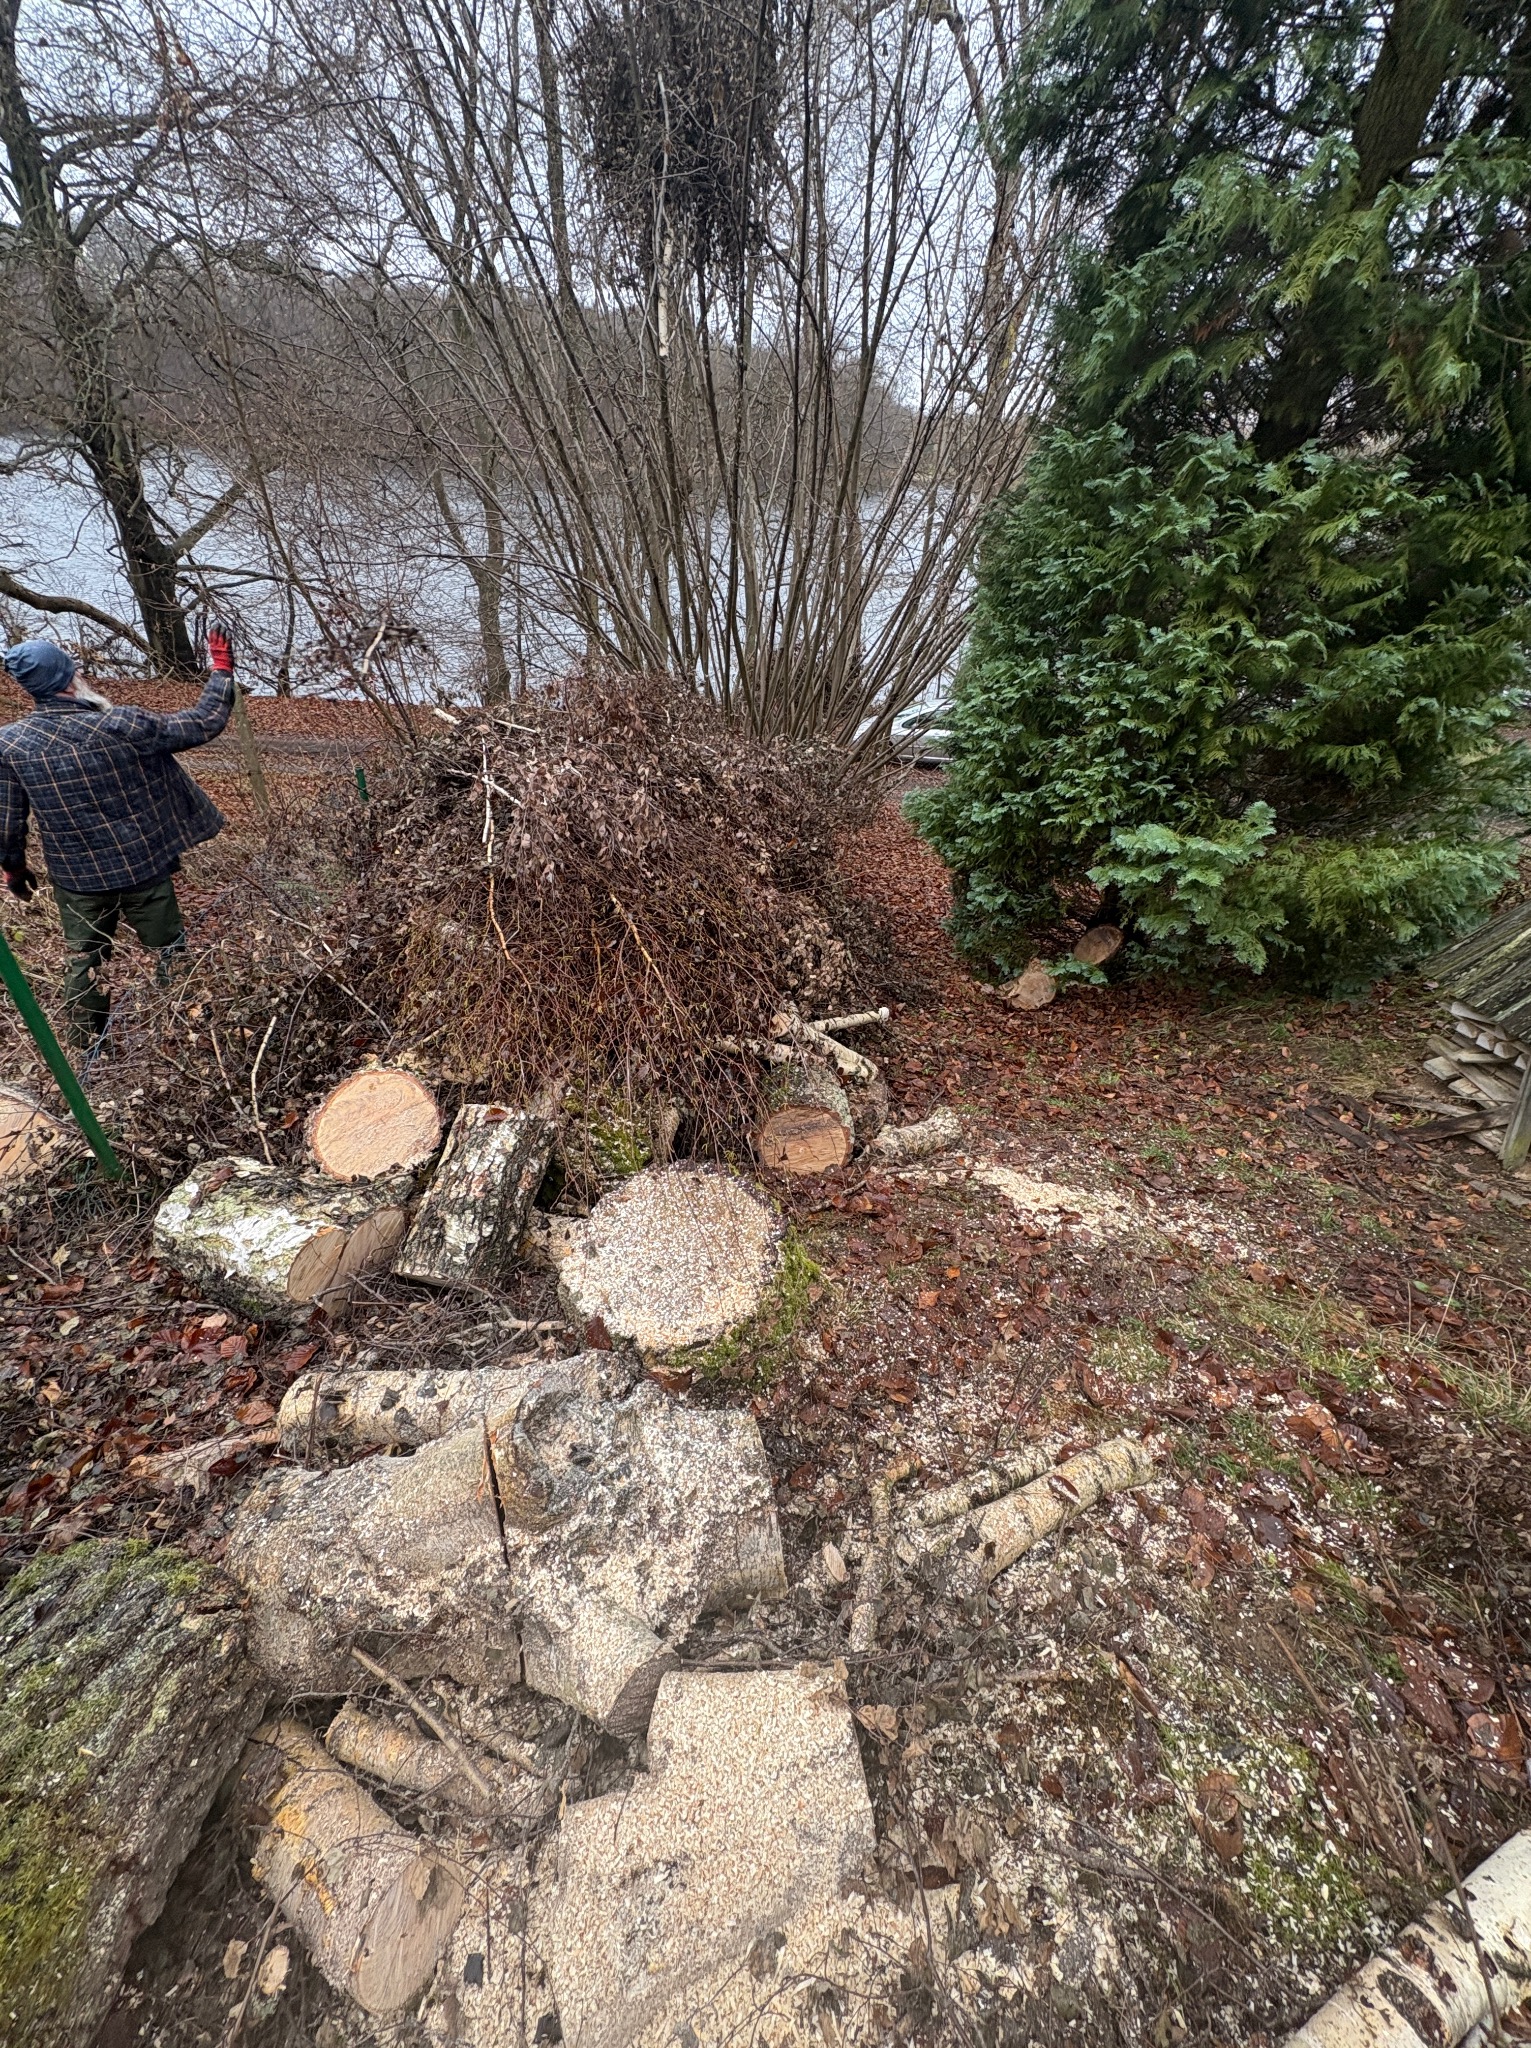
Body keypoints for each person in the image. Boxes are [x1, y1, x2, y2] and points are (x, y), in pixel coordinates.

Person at [0, 624, 238, 1048]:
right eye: (73, 669)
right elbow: (203, 722)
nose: (79, 673)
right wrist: (220, 669)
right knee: (169, 950)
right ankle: (189, 1031)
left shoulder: (10, 745)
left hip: (77, 879)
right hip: (142, 867)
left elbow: (6, 823)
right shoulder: (121, 723)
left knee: (86, 961)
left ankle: (88, 1047)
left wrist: (14, 871)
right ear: (68, 679)